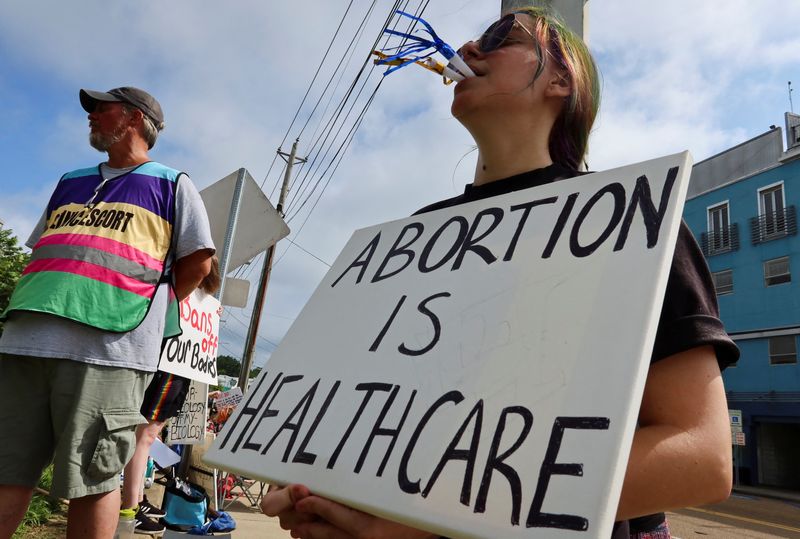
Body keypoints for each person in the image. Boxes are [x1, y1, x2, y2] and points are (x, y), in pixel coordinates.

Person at [259, 7, 739, 539]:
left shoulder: (634, 219)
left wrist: (422, 521)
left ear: (562, 79)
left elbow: (702, 456)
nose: (467, 49)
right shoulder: (414, 239)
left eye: (500, 39)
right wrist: (300, 482)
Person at [0, 86, 215, 539]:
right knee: (6, 468)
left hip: (109, 350)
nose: (92, 116)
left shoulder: (173, 184)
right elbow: (45, 245)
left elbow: (198, 263)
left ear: (135, 118)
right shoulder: (70, 180)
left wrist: (135, 304)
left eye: (102, 108)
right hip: (25, 337)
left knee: (93, 480)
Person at [121, 256, 221, 536]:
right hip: (168, 369)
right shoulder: (176, 288)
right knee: (146, 436)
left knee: (149, 436)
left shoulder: (199, 299)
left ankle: (136, 500)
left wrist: (211, 317)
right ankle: (132, 505)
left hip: (178, 369)